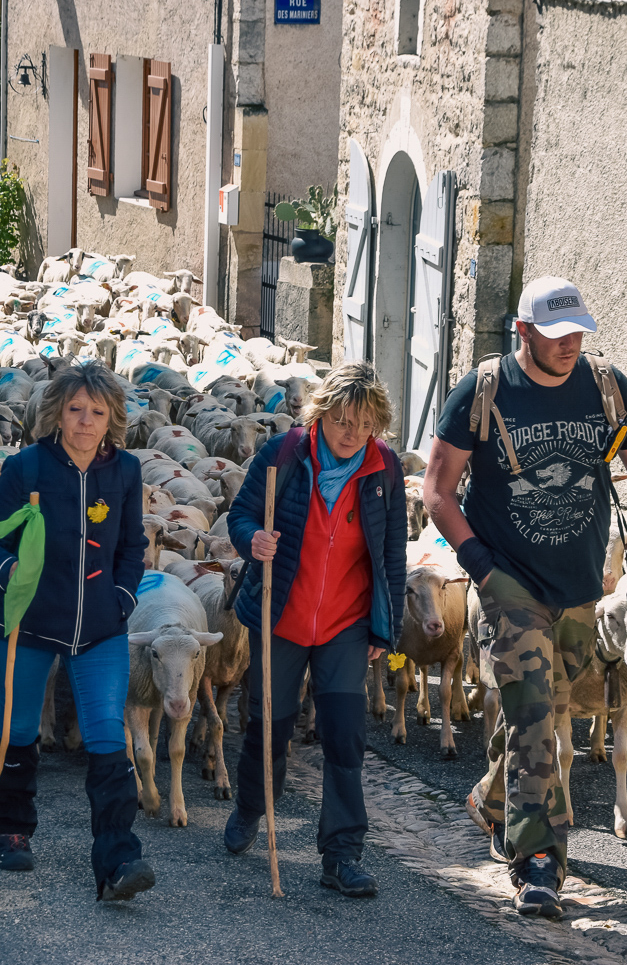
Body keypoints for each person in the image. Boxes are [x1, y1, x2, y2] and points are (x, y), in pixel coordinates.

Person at [423, 277, 627, 920]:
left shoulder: (606, 388)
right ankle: (540, 862)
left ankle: (493, 799)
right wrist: (482, 569)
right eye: (555, 335)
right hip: (508, 582)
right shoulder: (483, 392)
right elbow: (437, 491)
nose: (569, 344)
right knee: (537, 716)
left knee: (544, 713)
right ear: (523, 332)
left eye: (577, 332)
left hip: (578, 584)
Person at [0, 361, 155, 901]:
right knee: (20, 727)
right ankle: (13, 829)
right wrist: (11, 574)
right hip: (26, 623)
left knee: (107, 735)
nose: (85, 422)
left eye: (97, 412)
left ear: (112, 418)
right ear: (57, 413)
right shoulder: (26, 467)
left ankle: (118, 859)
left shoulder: (125, 471)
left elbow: (132, 547)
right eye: (75, 410)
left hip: (99, 628)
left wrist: (122, 597)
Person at [224, 361, 407, 898]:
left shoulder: (384, 469)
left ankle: (342, 854)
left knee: (345, 737)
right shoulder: (284, 455)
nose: (352, 433)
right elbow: (240, 515)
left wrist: (385, 628)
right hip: (281, 615)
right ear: (320, 414)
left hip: (346, 624)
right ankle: (251, 806)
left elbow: (392, 555)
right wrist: (253, 539)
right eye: (343, 420)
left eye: (365, 424)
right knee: (269, 727)